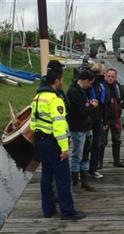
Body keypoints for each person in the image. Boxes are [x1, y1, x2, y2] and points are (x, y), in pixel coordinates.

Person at [30, 67, 86, 220]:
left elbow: (33, 123)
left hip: (41, 141)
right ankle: (67, 211)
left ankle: (47, 209)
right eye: (61, 80)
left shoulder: (37, 97)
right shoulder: (55, 100)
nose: (62, 83)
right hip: (53, 143)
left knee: (46, 176)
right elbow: (59, 126)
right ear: (56, 81)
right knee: (63, 178)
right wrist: (64, 148)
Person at [67, 70, 98, 191]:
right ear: (85, 80)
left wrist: (88, 104)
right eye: (90, 83)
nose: (90, 85)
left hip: (86, 127)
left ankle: (84, 182)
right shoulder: (73, 91)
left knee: (86, 154)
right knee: (77, 155)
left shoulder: (81, 91)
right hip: (78, 128)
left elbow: (83, 107)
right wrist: (92, 106)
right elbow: (81, 110)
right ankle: (75, 182)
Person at [98, 68, 124, 168]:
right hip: (104, 118)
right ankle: (99, 162)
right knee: (102, 141)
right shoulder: (101, 87)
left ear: (115, 77)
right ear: (105, 76)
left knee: (117, 140)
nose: (110, 78)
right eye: (108, 76)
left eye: (112, 77)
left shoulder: (120, 88)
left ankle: (117, 161)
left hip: (116, 118)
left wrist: (121, 106)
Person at [88, 63, 107, 179]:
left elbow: (104, 104)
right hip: (88, 119)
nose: (104, 75)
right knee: (86, 145)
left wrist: (105, 120)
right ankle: (82, 169)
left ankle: (93, 168)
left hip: (98, 119)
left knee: (97, 145)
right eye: (103, 73)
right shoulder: (89, 85)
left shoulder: (101, 86)